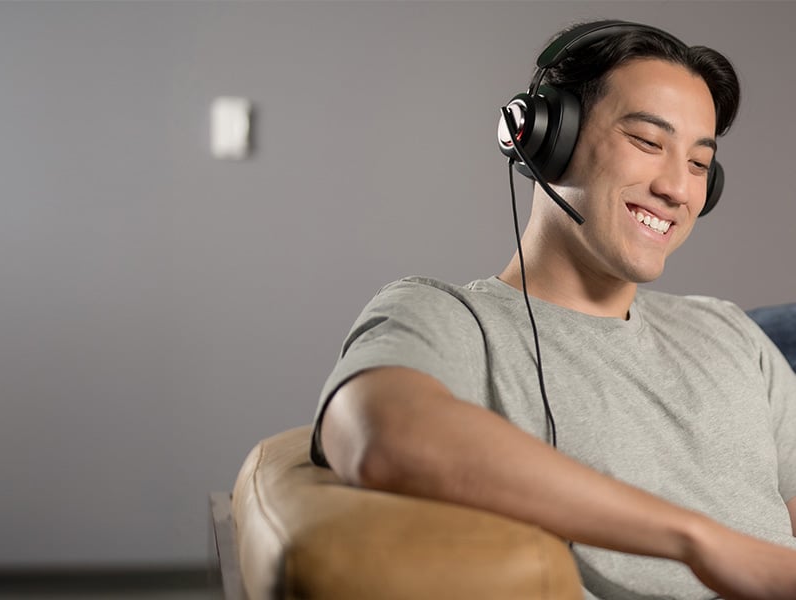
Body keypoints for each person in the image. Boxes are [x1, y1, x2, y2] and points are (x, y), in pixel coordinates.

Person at [311, 20, 796, 600]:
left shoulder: (729, 331)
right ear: (544, 137)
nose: (678, 188)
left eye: (698, 164)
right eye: (647, 141)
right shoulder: (447, 316)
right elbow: (375, 433)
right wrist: (701, 542)